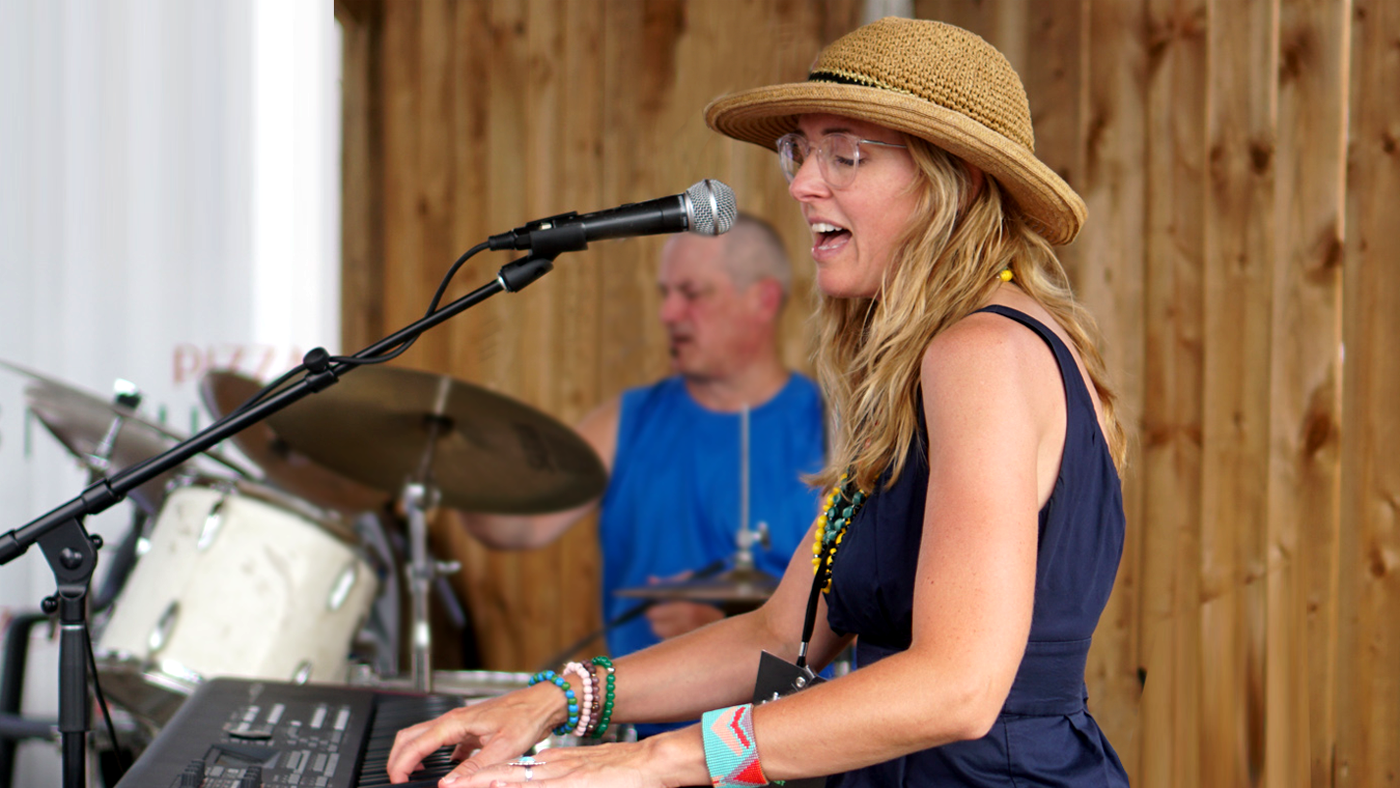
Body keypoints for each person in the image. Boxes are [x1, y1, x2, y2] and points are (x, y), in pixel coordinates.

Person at [390, 16, 1130, 788]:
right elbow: (778, 637)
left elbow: (958, 688)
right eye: (800, 151)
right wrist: (555, 700)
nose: (803, 184)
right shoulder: (926, 367)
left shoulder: (980, 354)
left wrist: (654, 759)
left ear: (959, 181)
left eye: (846, 154)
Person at [454, 214, 827, 665]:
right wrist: (457, 469)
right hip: (637, 706)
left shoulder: (832, 428)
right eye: (665, 294)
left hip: (790, 706)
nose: (668, 314)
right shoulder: (625, 421)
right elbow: (523, 525)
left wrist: (724, 632)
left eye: (692, 293)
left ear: (762, 300)